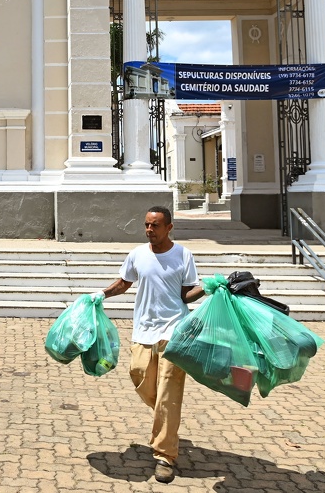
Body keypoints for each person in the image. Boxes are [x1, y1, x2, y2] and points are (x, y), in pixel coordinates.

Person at [95, 206, 205, 484]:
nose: (149, 230)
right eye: (146, 225)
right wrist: (101, 295)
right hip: (143, 330)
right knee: (140, 376)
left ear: (169, 227)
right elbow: (124, 283)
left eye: (155, 226)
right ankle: (167, 420)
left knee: (168, 392)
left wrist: (208, 287)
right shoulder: (137, 254)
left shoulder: (183, 255)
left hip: (174, 330)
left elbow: (186, 295)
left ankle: (164, 455)